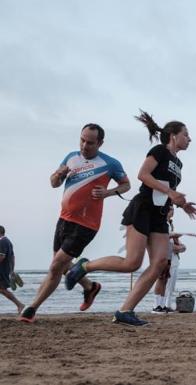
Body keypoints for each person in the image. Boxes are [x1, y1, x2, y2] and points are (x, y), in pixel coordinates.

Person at [64, 111, 196, 326]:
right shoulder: (159, 151)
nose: (189, 138)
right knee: (132, 263)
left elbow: (166, 190)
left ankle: (125, 311)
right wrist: (171, 194)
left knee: (160, 263)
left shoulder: (178, 164)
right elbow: (143, 175)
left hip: (159, 215)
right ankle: (85, 267)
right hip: (142, 209)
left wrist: (181, 203)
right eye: (186, 134)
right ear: (173, 136)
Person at [18, 124, 130, 323]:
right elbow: (53, 183)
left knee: (55, 266)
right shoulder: (70, 156)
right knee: (60, 266)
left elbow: (126, 185)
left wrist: (108, 193)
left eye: (90, 142)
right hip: (64, 219)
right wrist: (59, 174)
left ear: (100, 143)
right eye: (82, 140)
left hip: (86, 224)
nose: (84, 145)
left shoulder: (110, 163)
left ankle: (31, 309)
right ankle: (89, 286)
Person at [152, 208, 186, 314]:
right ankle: (157, 305)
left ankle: (163, 305)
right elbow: (160, 238)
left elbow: (175, 242)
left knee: (166, 281)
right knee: (161, 279)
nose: (172, 211)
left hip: (170, 257)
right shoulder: (160, 223)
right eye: (170, 209)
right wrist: (174, 238)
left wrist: (180, 245)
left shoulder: (169, 224)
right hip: (162, 255)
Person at [0, 226, 24, 313]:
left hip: (2, 270)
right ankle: (19, 304)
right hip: (6, 269)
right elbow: (13, 257)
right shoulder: (8, 242)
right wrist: (12, 270)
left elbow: (1, 257)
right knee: (2, 289)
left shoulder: (2, 241)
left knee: (2, 289)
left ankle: (19, 304)